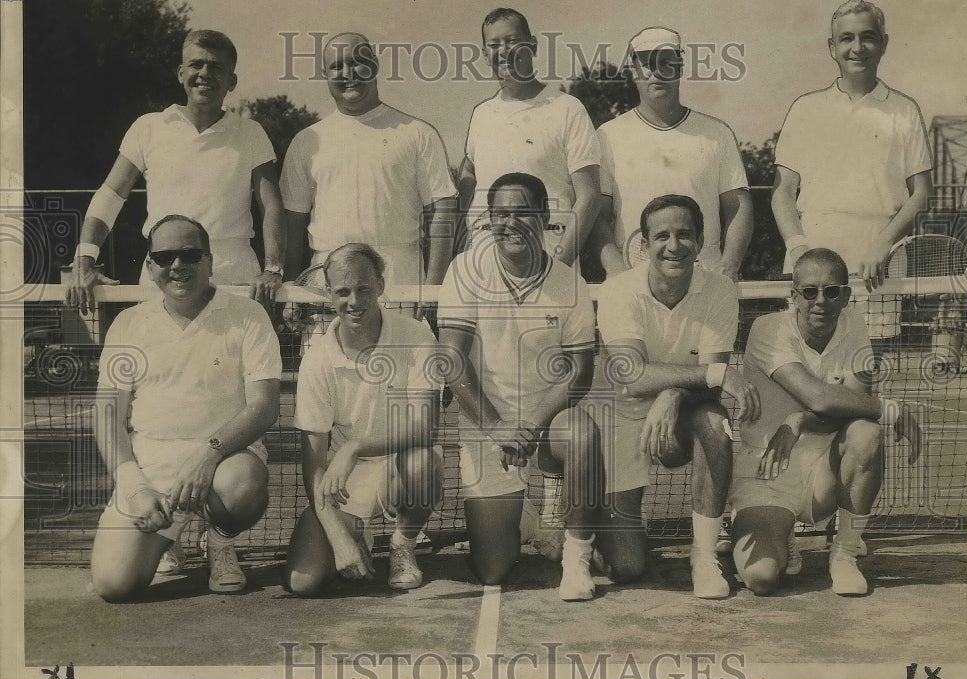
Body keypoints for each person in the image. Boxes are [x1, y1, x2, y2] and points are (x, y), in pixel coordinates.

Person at [90, 215, 280, 601]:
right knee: (114, 585)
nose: (178, 266)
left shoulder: (247, 315)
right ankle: (168, 538)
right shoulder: (128, 324)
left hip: (226, 461)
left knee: (242, 485)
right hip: (153, 470)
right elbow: (107, 414)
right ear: (150, 267)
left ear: (210, 262)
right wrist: (134, 487)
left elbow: (264, 407)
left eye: (190, 255)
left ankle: (220, 541)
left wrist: (208, 455)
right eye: (165, 257)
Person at [437, 172, 605, 600]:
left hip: (548, 419)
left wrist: (529, 424)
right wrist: (497, 427)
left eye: (523, 212)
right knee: (493, 569)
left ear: (545, 216)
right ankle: (530, 516)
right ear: (489, 220)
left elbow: (579, 371)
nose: (510, 223)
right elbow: (452, 359)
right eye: (500, 214)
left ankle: (576, 560)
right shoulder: (465, 270)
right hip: (486, 423)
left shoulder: (570, 283)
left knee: (583, 431)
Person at [732, 248, 922, 596]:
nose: (821, 300)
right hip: (767, 470)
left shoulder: (854, 325)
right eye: (809, 291)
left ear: (846, 295)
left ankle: (845, 555)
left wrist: (799, 420)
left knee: (866, 432)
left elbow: (853, 407)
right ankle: (781, 530)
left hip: (827, 470)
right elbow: (820, 396)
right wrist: (892, 408)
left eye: (832, 290)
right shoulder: (767, 329)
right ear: (794, 296)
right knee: (761, 578)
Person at [596, 194, 759, 599]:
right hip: (623, 417)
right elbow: (630, 376)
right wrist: (698, 379)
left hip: (685, 413)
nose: (674, 246)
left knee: (715, 423)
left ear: (701, 241)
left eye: (684, 234)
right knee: (626, 567)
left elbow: (711, 385)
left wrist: (671, 393)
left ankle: (704, 556)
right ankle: (603, 521)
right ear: (644, 244)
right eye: (662, 236)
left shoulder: (720, 290)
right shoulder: (619, 290)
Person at [65, 30, 286, 312]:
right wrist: (84, 261)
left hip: (233, 275)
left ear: (232, 81)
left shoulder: (251, 133)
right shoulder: (148, 127)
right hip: (162, 271)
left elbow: (271, 205)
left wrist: (273, 269)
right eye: (196, 64)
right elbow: (110, 195)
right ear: (181, 73)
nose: (205, 73)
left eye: (216, 67)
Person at [771, 0, 933, 349]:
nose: (857, 48)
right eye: (846, 38)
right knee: (808, 368)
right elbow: (783, 191)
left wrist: (883, 243)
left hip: (879, 265)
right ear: (832, 47)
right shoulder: (805, 108)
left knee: (867, 374)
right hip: (814, 262)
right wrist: (799, 248)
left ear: (884, 43)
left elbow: (921, 193)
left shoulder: (905, 110)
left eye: (868, 37)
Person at [284, 244, 443, 594]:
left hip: (400, 466)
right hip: (344, 482)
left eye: (364, 289)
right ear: (328, 294)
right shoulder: (318, 358)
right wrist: (340, 540)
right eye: (342, 291)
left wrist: (355, 446)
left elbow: (426, 427)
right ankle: (359, 534)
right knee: (303, 581)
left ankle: (403, 543)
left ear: (381, 286)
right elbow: (313, 464)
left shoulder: (416, 335)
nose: (354, 301)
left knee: (423, 463)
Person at [279, 32, 457, 294]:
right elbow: (292, 227)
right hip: (326, 282)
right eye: (337, 66)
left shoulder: (418, 133)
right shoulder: (306, 142)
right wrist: (291, 289)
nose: (348, 72)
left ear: (374, 64)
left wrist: (433, 291)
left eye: (356, 62)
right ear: (324, 73)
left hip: (399, 279)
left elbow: (443, 212)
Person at [591, 27, 752, 280]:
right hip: (634, 279)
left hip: (704, 279)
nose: (657, 72)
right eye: (647, 63)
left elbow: (738, 207)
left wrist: (729, 266)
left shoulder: (716, 133)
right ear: (634, 71)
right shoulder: (607, 135)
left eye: (666, 62)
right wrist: (616, 272)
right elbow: (597, 214)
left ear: (680, 67)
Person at [456, 8, 601, 267]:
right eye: (494, 44)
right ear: (485, 54)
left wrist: (559, 267)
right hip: (485, 254)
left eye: (512, 40)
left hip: (547, 247)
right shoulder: (481, 114)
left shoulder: (567, 108)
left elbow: (589, 196)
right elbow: (469, 173)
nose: (504, 51)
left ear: (532, 45)